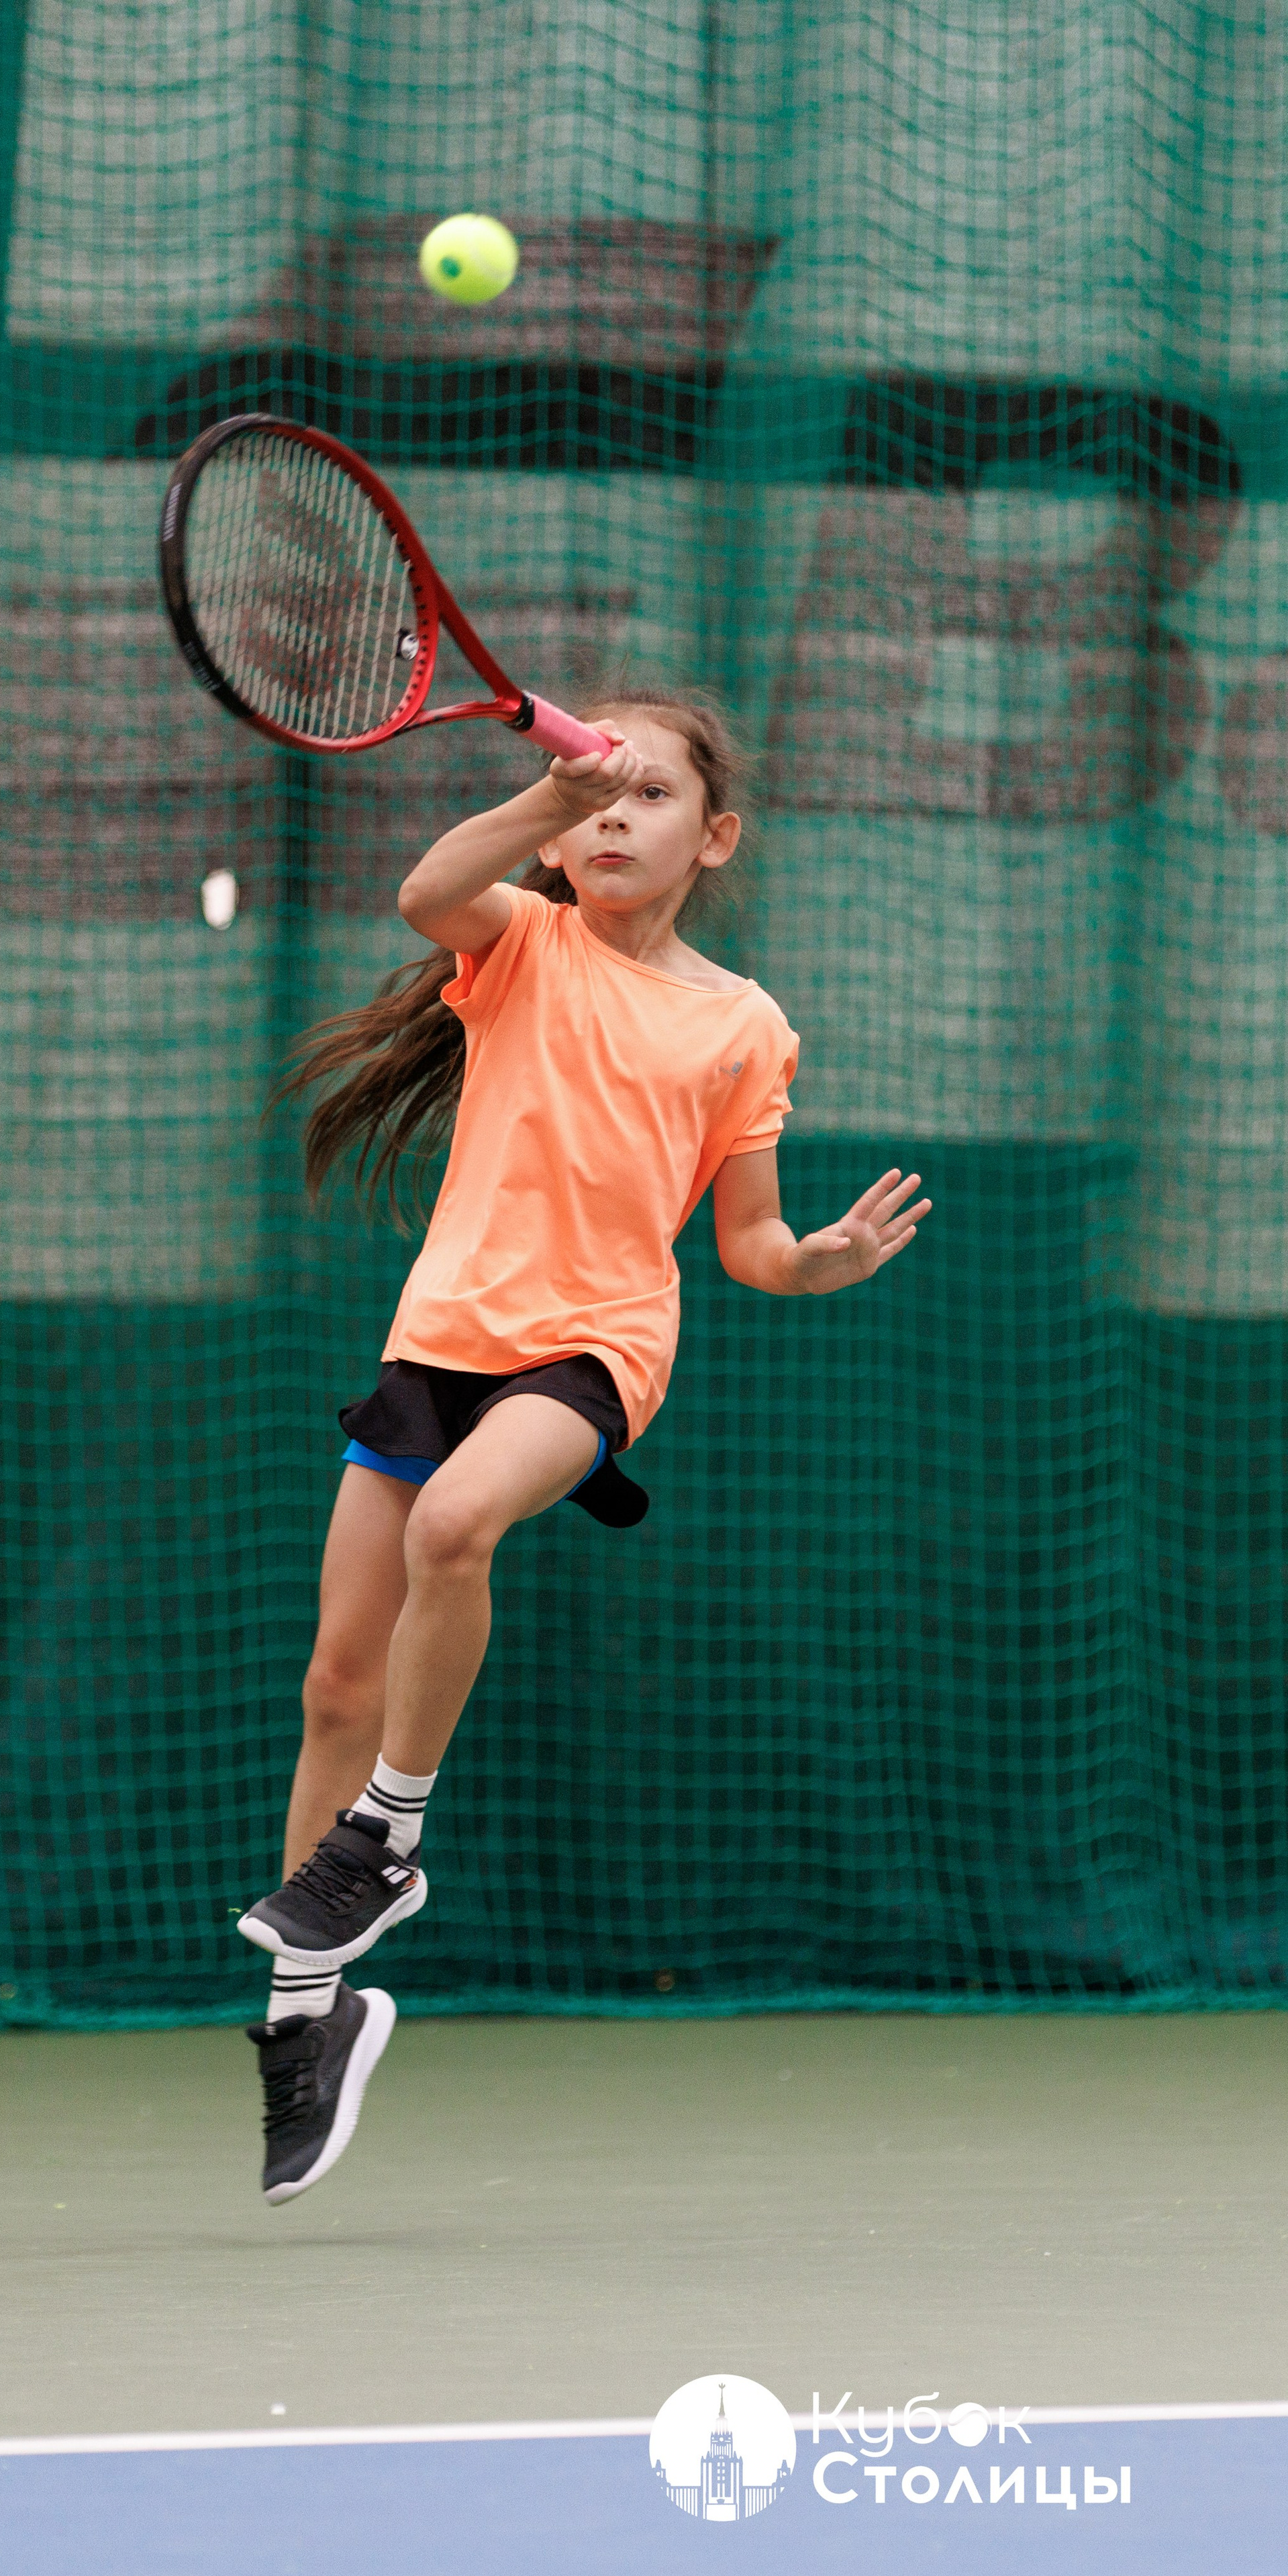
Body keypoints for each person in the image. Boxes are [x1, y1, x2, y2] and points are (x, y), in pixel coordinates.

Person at [238, 689, 930, 2202]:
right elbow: (429, 890)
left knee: (454, 1525)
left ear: (715, 836)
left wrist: (815, 1262)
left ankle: (387, 1841)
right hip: (437, 1339)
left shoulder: (741, 1024)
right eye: (591, 790)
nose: (613, 812)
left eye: (648, 793)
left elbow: (745, 1240)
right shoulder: (519, 942)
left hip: (597, 1347)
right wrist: (548, 798)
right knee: (336, 1681)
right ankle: (306, 2017)